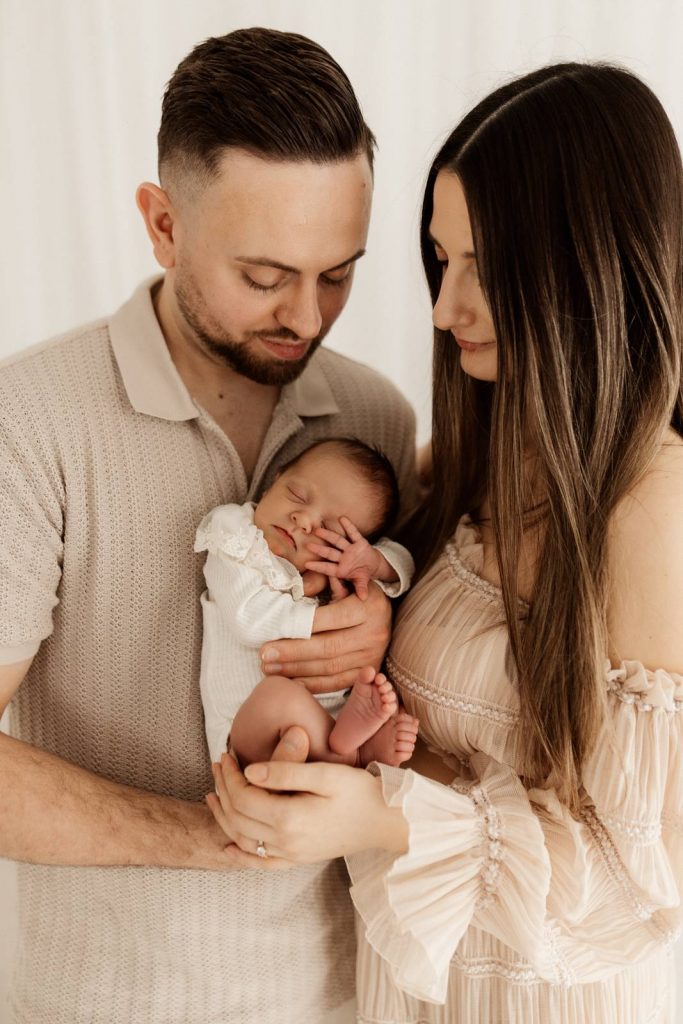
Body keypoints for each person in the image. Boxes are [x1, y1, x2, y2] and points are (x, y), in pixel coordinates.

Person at [209, 63, 683, 1023]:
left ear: (588, 270)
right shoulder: (471, 457)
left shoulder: (650, 514)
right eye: (440, 260)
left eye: (485, 270)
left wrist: (382, 815)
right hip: (413, 986)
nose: (442, 309)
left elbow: (639, 879)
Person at [0, 27, 418, 1024]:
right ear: (162, 223)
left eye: (339, 273)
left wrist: (378, 620)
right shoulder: (32, 418)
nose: (308, 315)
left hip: (344, 999)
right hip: (97, 1001)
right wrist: (216, 832)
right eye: (264, 276)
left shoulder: (379, 420)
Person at [195, 437, 419, 770]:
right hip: (246, 731)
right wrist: (328, 617)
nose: (303, 520)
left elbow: (404, 563)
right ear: (277, 479)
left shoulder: (335, 568)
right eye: (297, 496)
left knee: (389, 703)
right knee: (277, 698)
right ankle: (355, 753)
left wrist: (373, 563)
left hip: (330, 723)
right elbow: (248, 619)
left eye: (328, 532)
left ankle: (349, 742)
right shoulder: (236, 532)